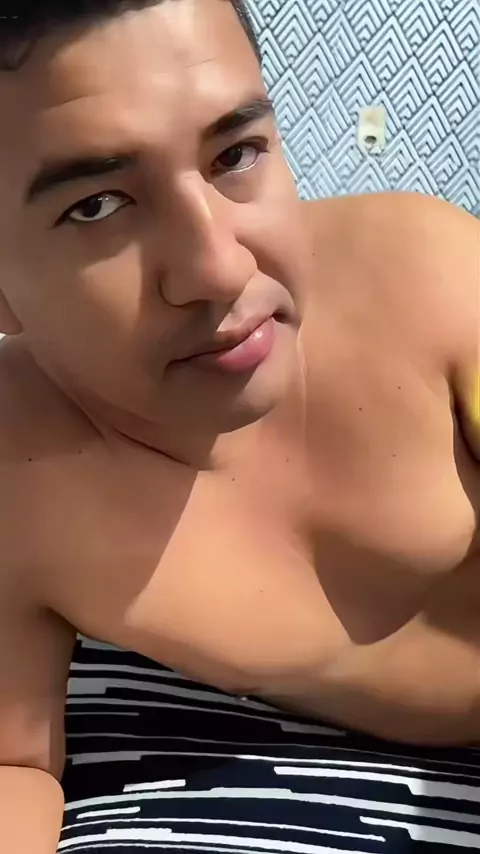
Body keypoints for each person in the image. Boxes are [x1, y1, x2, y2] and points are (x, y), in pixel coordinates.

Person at [0, 0, 478, 849]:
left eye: (236, 154)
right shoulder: (17, 478)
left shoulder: (435, 282)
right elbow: (15, 765)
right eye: (98, 206)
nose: (219, 269)